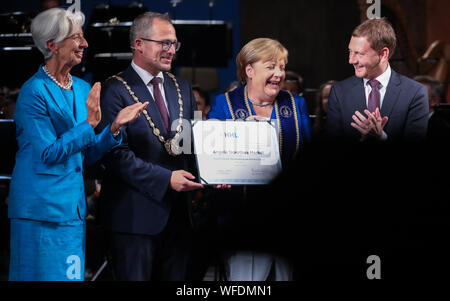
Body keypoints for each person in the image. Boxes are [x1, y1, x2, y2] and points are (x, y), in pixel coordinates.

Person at [7, 7, 147, 281]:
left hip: (72, 210)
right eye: (76, 37)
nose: (84, 44)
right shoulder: (32, 92)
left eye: (83, 36)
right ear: (52, 45)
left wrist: (113, 128)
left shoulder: (83, 88)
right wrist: (88, 125)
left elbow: (85, 155)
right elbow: (49, 153)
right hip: (39, 213)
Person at [96, 12, 203, 281]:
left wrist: (214, 174)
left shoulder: (183, 87)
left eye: (174, 44)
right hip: (134, 220)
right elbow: (115, 156)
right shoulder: (114, 89)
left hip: (179, 218)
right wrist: (167, 179)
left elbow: (188, 147)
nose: (170, 50)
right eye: (163, 43)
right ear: (138, 44)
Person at [208, 38, 312, 281]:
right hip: (244, 221)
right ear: (249, 70)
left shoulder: (296, 104)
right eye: (271, 67)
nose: (279, 74)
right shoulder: (225, 104)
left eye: (282, 67)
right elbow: (212, 153)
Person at [326, 18, 429, 142]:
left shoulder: (415, 93)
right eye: (350, 52)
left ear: (383, 54)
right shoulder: (339, 92)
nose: (351, 60)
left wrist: (381, 138)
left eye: (360, 53)